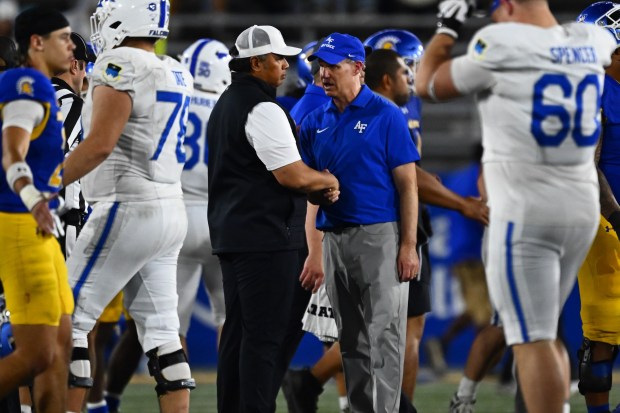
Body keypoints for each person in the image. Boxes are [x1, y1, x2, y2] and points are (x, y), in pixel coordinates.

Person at [415, 1, 617, 412]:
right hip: (579, 206)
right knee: (547, 334)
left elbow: (427, 83)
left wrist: (448, 26)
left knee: (533, 339)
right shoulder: (592, 40)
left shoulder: (503, 41)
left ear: (506, 6)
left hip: (529, 206)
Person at [62, 1, 195, 412]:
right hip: (171, 208)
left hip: (127, 205)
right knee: (163, 334)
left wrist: (47, 182)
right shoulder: (176, 69)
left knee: (67, 319)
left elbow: (100, 144)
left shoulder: (118, 63)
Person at [207, 25, 339, 413]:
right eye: (278, 58)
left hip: (235, 235)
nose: (286, 64)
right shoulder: (262, 108)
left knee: (238, 337)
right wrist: (327, 180)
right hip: (265, 238)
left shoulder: (227, 103)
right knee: (265, 339)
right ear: (256, 62)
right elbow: (292, 175)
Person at [299, 33, 420, 413]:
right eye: (321, 65)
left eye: (334, 65)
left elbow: (408, 186)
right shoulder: (315, 120)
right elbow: (307, 188)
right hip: (334, 239)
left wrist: (407, 244)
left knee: (384, 337)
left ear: (358, 69)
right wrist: (315, 247)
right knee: (351, 340)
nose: (324, 73)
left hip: (380, 237)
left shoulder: (386, 115)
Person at [0, 6, 75, 413]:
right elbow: (13, 153)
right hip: (20, 220)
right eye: (63, 36)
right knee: (37, 355)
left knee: (61, 346)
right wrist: (33, 200)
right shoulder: (27, 82)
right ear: (36, 42)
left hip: (39, 224)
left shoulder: (37, 83)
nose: (70, 45)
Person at [576, 3, 620, 413]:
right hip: (603, 222)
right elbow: (585, 164)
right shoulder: (590, 90)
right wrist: (617, 217)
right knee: (603, 333)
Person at [178, 38, 230, 350]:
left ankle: (175, 395)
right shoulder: (231, 105)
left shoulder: (173, 98)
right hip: (221, 216)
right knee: (229, 318)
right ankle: (230, 399)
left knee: (171, 327)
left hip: (178, 213)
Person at [52, 31, 96, 258]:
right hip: (59, 223)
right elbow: (54, 155)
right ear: (74, 65)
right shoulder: (72, 104)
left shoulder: (26, 96)